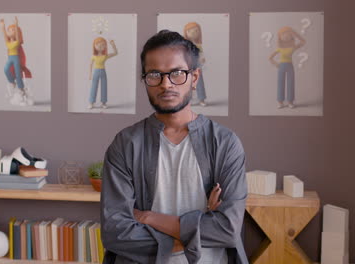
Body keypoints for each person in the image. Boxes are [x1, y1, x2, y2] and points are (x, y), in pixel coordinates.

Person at [101, 30, 248, 264]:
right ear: (144, 80)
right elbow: (115, 232)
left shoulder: (224, 143)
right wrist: (196, 228)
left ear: (195, 77)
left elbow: (227, 229)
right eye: (155, 74)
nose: (165, 84)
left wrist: (149, 217)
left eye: (177, 73)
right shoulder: (126, 144)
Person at [269, 26, 306, 109]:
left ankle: (290, 102)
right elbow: (270, 57)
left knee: (290, 83)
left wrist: (295, 33)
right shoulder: (280, 48)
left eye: (288, 34)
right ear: (280, 37)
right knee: (280, 83)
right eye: (283, 34)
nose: (285, 36)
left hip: (290, 66)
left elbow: (303, 41)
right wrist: (276, 64)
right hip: (281, 66)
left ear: (291, 35)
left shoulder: (292, 47)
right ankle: (280, 102)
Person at [0, 16, 33, 106]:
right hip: (10, 58)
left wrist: (17, 24)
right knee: (6, 69)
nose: (9, 31)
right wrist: (3, 26)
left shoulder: (17, 42)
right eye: (9, 30)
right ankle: (12, 82)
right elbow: (4, 34)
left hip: (16, 58)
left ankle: (21, 89)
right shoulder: (8, 42)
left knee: (18, 75)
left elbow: (18, 37)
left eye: (12, 30)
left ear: (16, 33)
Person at [88, 37, 118, 109]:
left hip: (103, 72)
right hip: (96, 71)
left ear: (105, 46)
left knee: (104, 86)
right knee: (94, 87)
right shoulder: (93, 56)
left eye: (103, 45)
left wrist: (113, 45)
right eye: (98, 45)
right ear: (94, 46)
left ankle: (104, 102)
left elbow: (115, 53)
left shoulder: (105, 56)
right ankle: (91, 102)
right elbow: (90, 65)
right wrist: (90, 74)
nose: (100, 47)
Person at [183, 22, 207, 106]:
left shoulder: (198, 45)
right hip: (188, 65)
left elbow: (201, 54)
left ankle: (201, 99)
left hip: (197, 65)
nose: (193, 33)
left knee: (199, 82)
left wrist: (202, 58)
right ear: (186, 33)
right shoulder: (185, 45)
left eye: (196, 31)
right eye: (190, 31)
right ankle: (188, 100)